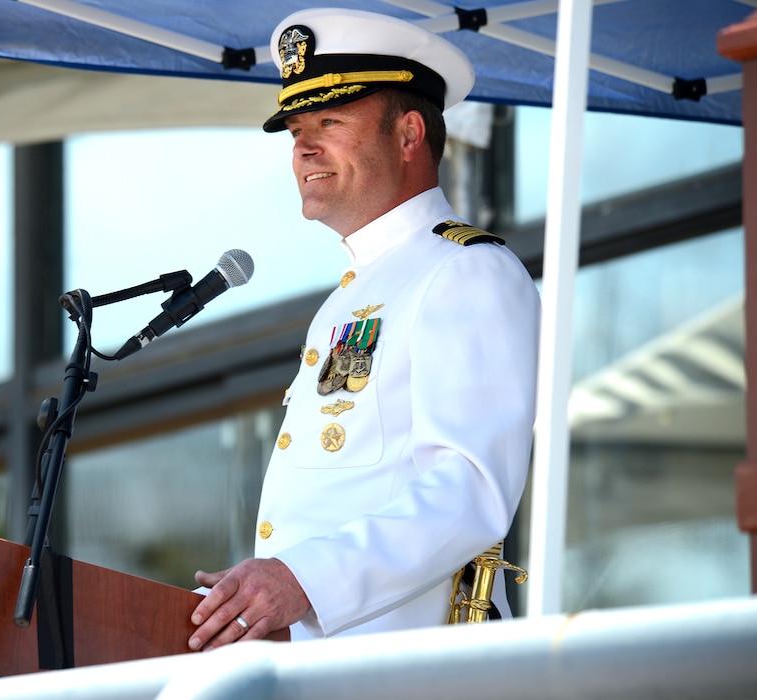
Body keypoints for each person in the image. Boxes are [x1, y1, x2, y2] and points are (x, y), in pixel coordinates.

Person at [188, 7, 540, 651]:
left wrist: (301, 580)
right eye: (296, 129)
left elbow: (469, 491)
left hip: (418, 674)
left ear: (409, 134)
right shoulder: (350, 298)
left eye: (329, 121)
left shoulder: (466, 271)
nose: (303, 147)